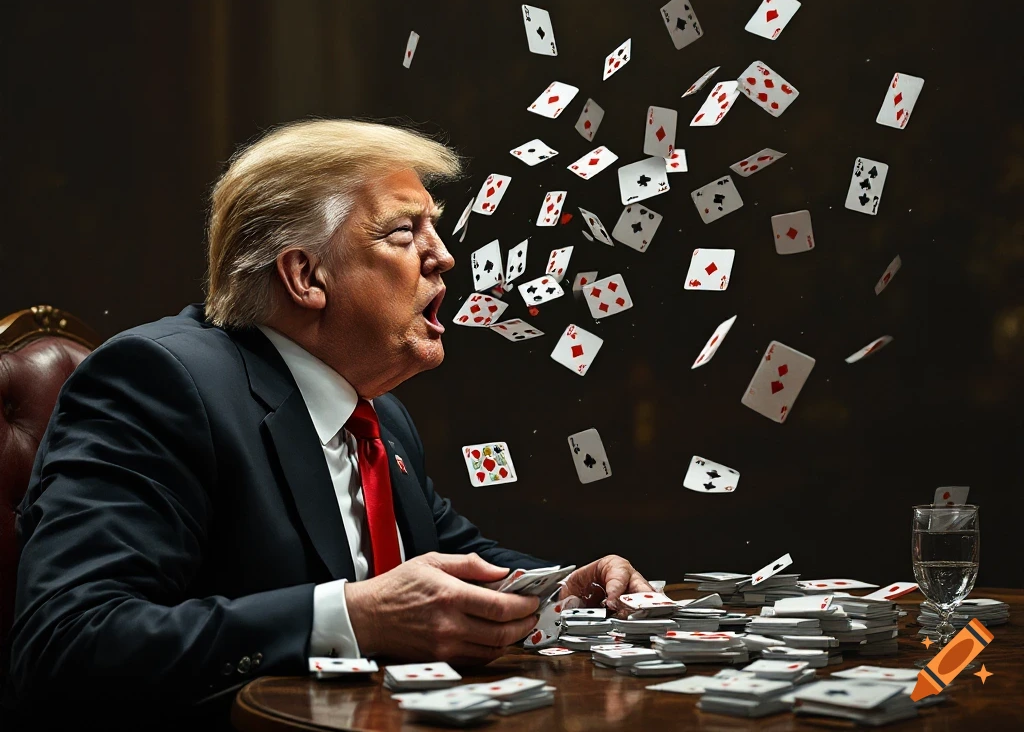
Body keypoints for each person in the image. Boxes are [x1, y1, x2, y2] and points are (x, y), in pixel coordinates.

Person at [6, 120, 652, 727]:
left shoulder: (377, 414)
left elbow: (452, 554)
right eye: (405, 232)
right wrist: (348, 616)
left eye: (436, 228)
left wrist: (567, 586)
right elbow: (66, 643)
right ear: (305, 275)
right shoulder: (160, 382)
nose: (444, 257)